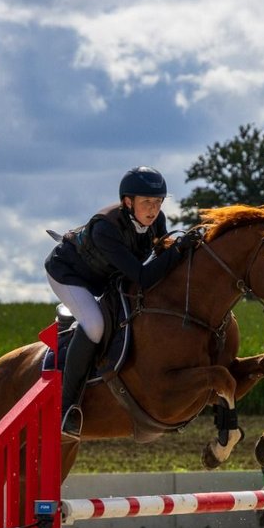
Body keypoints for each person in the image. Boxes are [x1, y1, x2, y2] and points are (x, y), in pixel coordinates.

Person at [44, 166, 201, 438]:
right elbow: (142, 275)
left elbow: (159, 262)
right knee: (94, 326)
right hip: (69, 274)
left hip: (107, 277)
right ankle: (66, 408)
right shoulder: (106, 228)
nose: (153, 209)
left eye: (158, 202)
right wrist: (178, 248)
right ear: (128, 202)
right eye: (146, 203)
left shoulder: (157, 221)